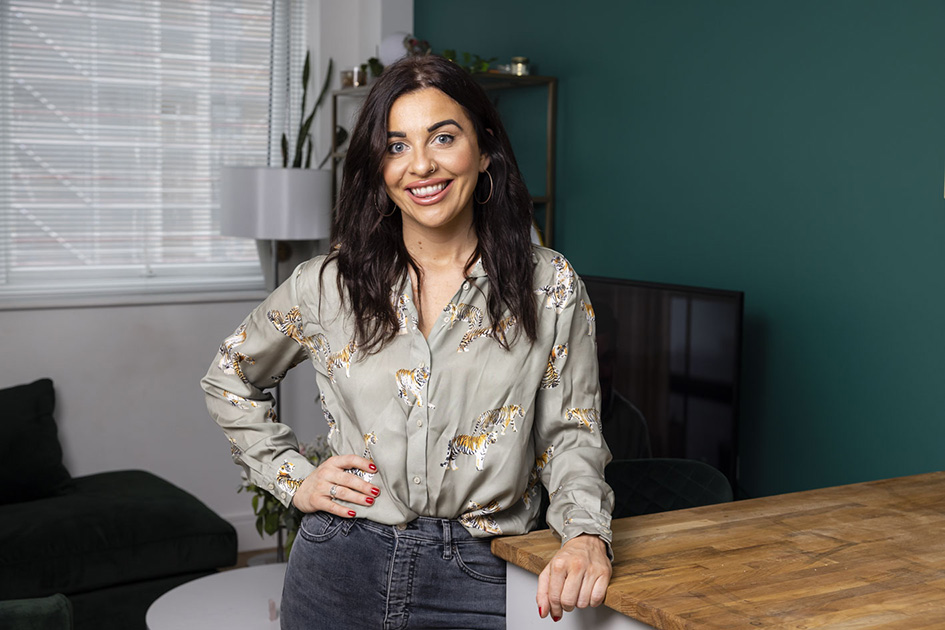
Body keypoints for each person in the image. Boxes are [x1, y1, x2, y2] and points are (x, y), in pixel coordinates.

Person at [202, 54, 614, 629]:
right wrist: (294, 477)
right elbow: (230, 376)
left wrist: (585, 535)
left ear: (485, 148)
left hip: (485, 573)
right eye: (396, 146)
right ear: (378, 166)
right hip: (338, 567)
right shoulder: (327, 286)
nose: (420, 165)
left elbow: (571, 434)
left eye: (443, 137)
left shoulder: (548, 285)